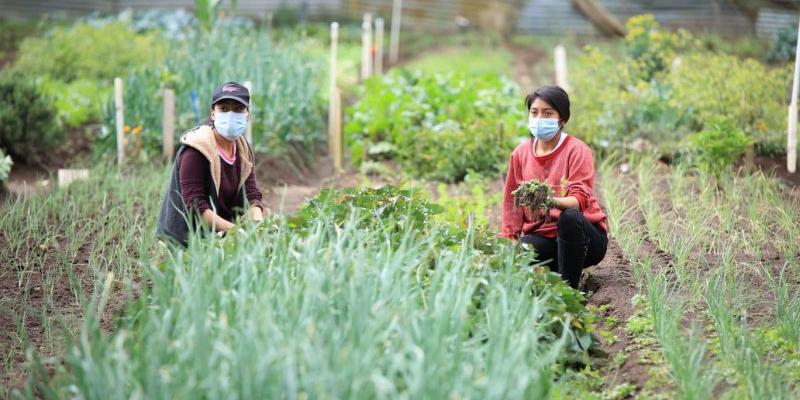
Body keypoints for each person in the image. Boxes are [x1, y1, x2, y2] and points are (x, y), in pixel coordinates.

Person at [501, 85, 608, 288]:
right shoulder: (521, 153)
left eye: (547, 113)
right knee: (520, 252)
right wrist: (508, 239)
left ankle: (569, 289)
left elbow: (579, 201)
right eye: (534, 112)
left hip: (584, 239)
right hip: (545, 237)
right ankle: (559, 270)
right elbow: (511, 202)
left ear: (562, 119)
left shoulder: (577, 150)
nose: (539, 118)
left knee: (568, 217)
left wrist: (550, 200)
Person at [157, 81, 264, 247]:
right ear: (213, 114)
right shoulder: (196, 150)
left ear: (247, 115)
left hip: (218, 235)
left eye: (238, 109)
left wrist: (259, 225)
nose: (230, 115)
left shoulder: (242, 148)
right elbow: (195, 207)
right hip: (184, 240)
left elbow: (250, 193)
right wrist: (237, 230)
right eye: (224, 109)